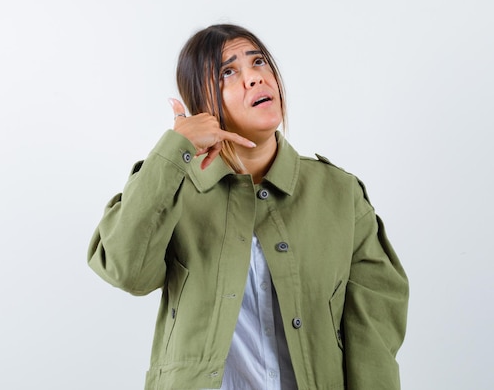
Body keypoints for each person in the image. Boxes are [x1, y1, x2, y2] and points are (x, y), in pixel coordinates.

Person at [87, 23, 409, 390]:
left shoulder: (338, 193)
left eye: (259, 62)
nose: (254, 78)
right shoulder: (174, 188)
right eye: (228, 72)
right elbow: (125, 270)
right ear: (202, 106)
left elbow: (375, 329)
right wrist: (174, 151)